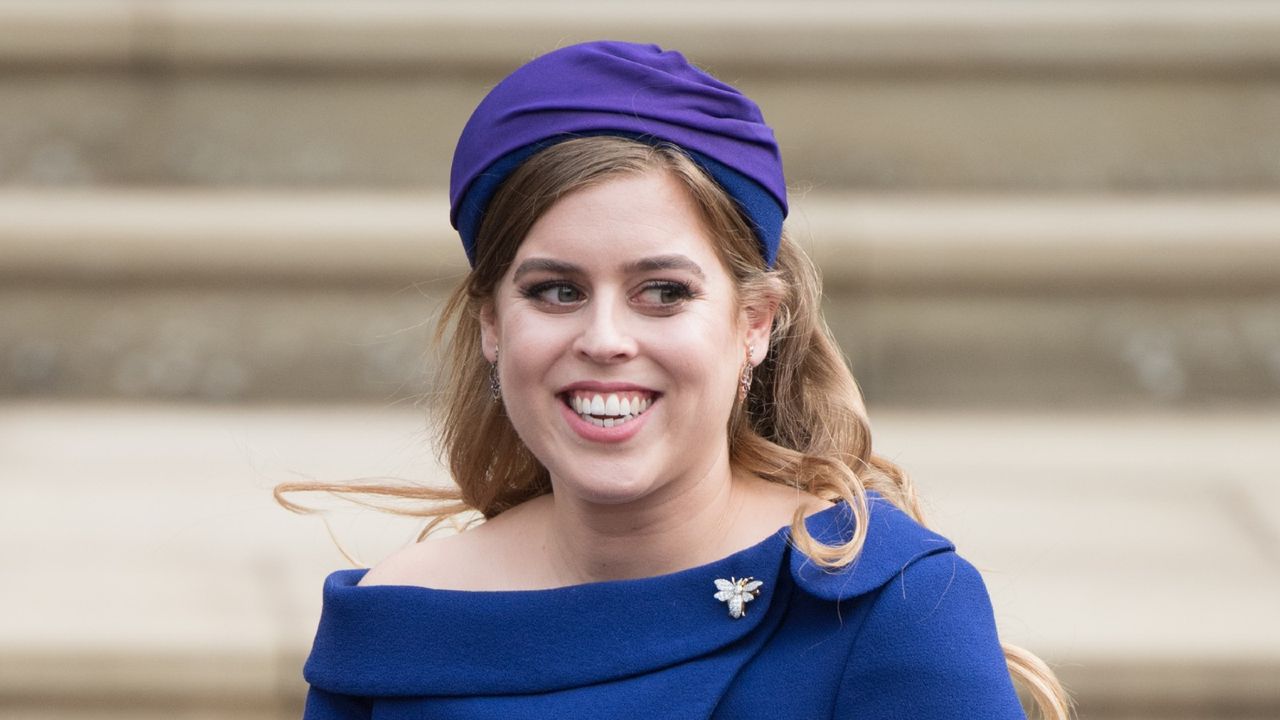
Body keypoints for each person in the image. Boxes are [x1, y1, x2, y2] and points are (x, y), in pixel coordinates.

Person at [282, 41, 1071, 719]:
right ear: (492, 324)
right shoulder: (395, 627)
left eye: (664, 293)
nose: (604, 340)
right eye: (556, 291)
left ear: (755, 324)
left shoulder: (886, 608)